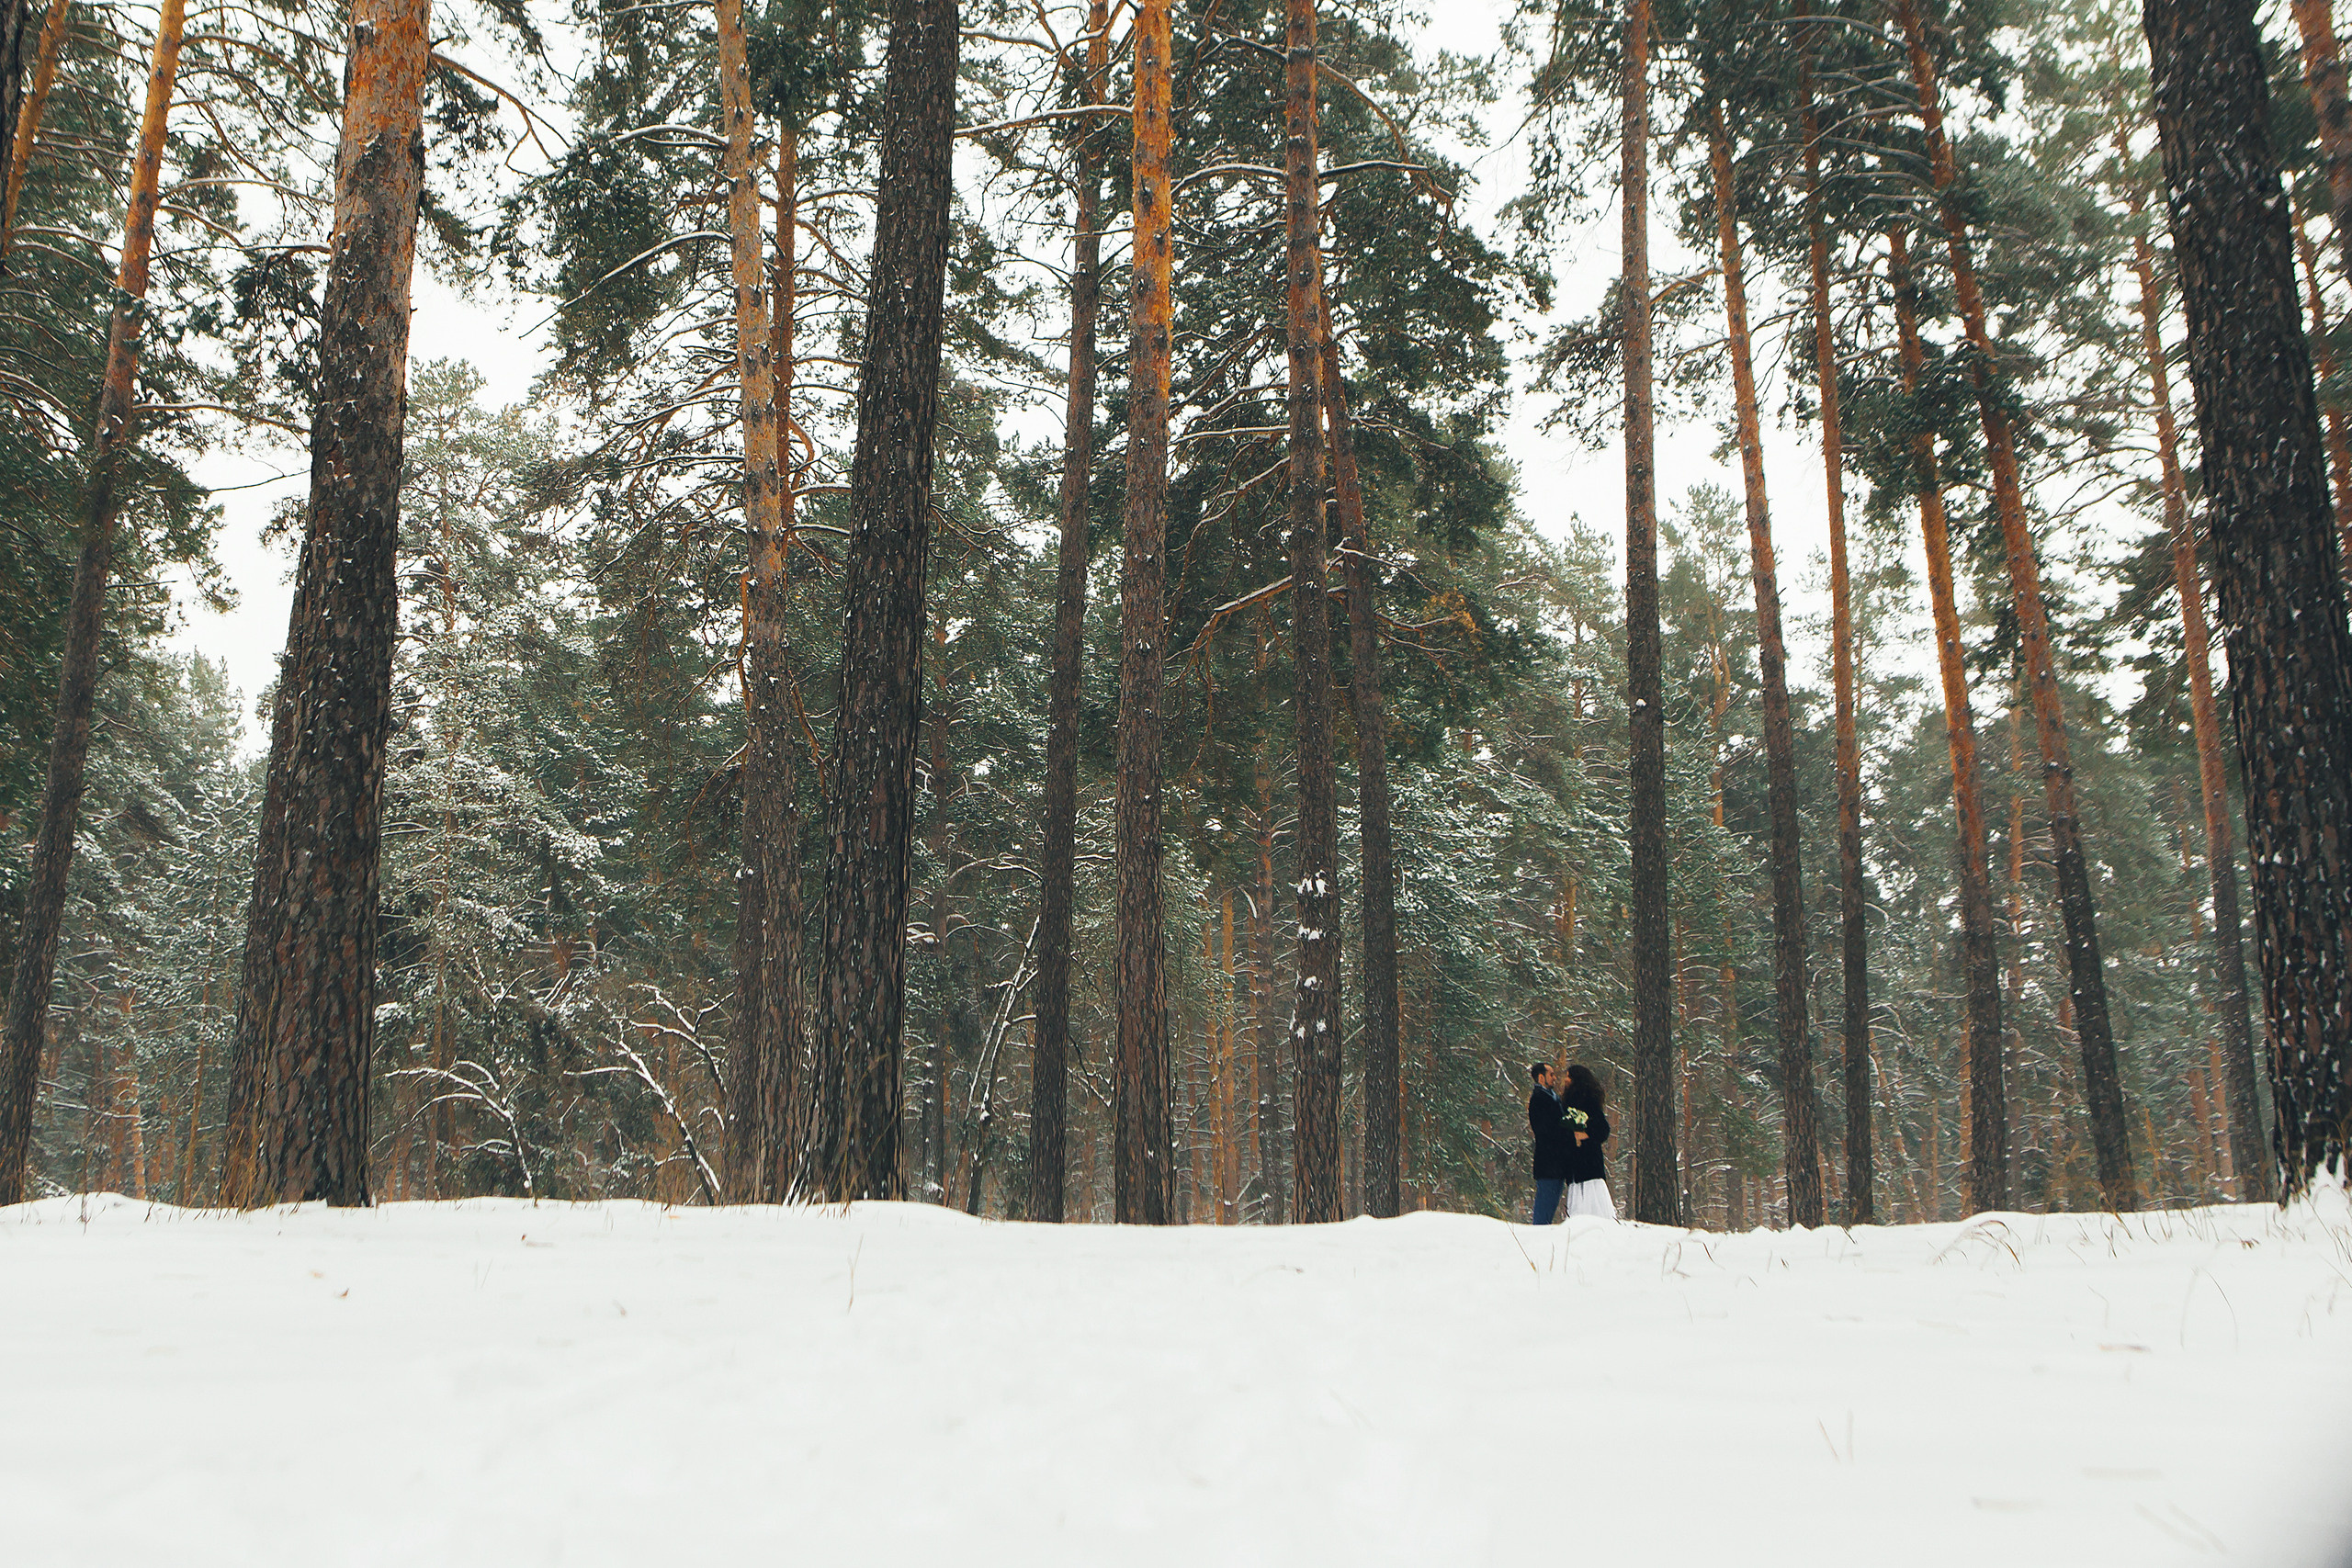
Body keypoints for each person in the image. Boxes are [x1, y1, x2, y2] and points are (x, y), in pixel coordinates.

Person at [1559, 1062, 1614, 1220]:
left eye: (1569, 1077)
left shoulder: (1589, 1102)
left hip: (1589, 1163)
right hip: (1575, 1164)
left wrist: (1587, 1134)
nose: (1566, 1080)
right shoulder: (1567, 1103)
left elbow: (1603, 1130)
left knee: (1593, 1204)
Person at [1526, 1062, 1571, 1224]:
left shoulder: (1553, 1097)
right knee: (1544, 1209)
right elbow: (1544, 1130)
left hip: (1557, 1163)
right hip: (1548, 1163)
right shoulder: (1538, 1099)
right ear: (1541, 1078)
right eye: (1551, 1074)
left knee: (1551, 1205)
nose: (1554, 1078)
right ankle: (1538, 1235)